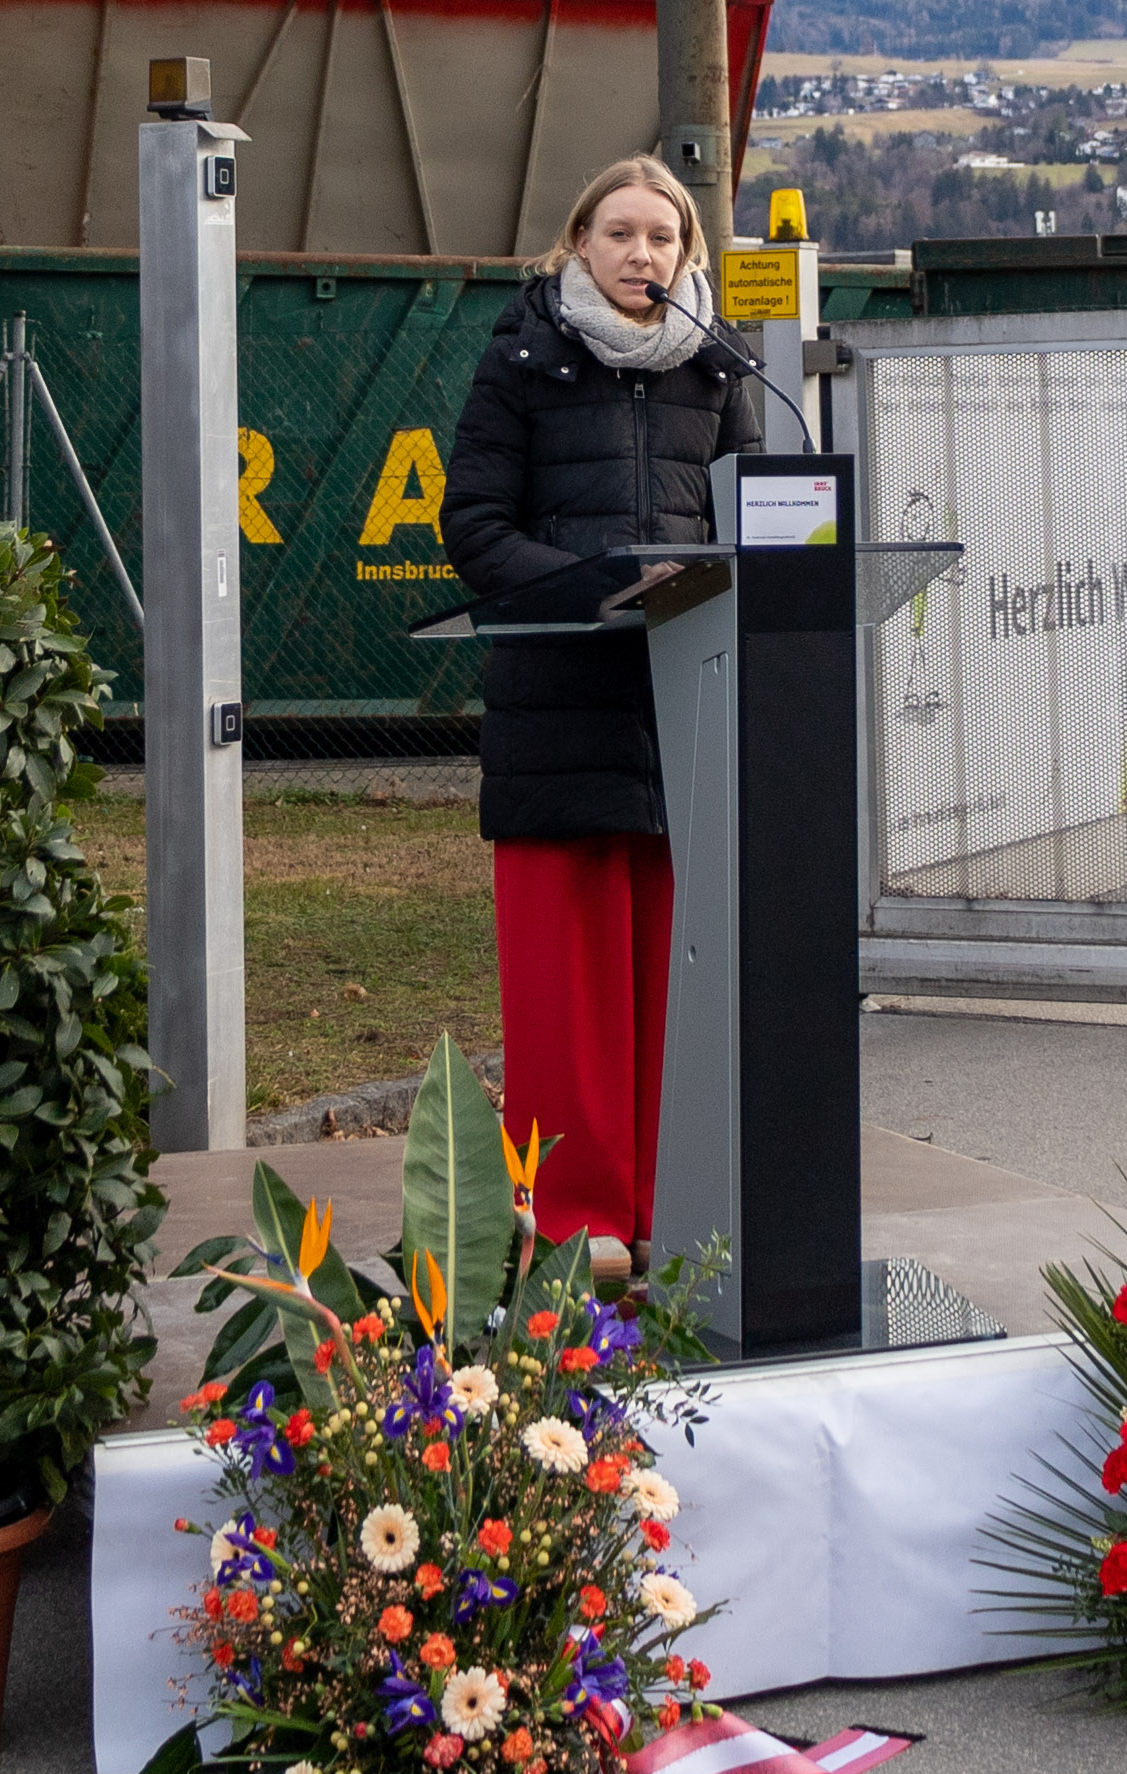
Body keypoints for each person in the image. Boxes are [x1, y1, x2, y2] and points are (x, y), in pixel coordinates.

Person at [440, 156, 761, 1271]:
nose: (643, 255)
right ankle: (574, 1230)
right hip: (559, 707)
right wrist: (599, 591)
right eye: (620, 234)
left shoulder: (718, 372)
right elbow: (474, 528)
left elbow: (754, 520)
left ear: (688, 255)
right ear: (578, 243)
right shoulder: (522, 360)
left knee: (670, 987)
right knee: (568, 996)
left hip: (683, 715)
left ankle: (668, 1213)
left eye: (662, 238)